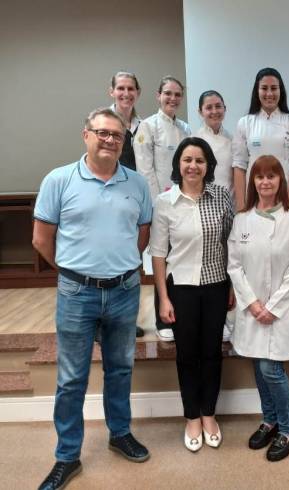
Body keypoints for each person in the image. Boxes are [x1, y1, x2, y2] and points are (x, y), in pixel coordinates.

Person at [33, 108, 152, 490]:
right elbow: (41, 239)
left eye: (117, 135)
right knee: (71, 379)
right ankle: (67, 456)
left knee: (121, 369)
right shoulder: (59, 180)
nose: (110, 140)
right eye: (102, 132)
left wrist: (117, 265)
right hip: (76, 294)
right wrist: (76, 270)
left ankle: (120, 434)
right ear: (86, 135)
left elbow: (142, 234)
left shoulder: (137, 183)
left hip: (124, 291)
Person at [149, 137, 234, 453]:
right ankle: (192, 417)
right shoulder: (165, 202)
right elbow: (158, 253)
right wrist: (163, 298)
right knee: (186, 355)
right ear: (178, 164)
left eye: (200, 160)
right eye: (187, 160)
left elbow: (231, 244)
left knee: (212, 353)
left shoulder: (221, 196)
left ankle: (209, 414)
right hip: (180, 288)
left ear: (208, 165)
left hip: (216, 285)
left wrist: (232, 286)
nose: (193, 166)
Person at [228, 155, 289, 462]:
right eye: (259, 176)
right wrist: (252, 303)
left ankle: (288, 430)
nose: (265, 182)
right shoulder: (242, 220)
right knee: (259, 368)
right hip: (252, 309)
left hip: (280, 311)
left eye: (271, 176)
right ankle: (270, 420)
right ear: (253, 182)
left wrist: (272, 307)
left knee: (271, 369)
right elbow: (234, 266)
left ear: (280, 181)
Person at [134, 75, 191, 342]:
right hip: (161, 206)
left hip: (185, 204)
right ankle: (162, 319)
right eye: (168, 93)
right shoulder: (147, 127)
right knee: (162, 261)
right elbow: (145, 170)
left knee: (182, 260)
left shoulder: (185, 128)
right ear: (158, 95)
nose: (173, 98)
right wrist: (160, 205)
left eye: (177, 94)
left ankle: (183, 314)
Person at [232, 67, 289, 210]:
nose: (269, 93)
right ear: (257, 91)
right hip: (253, 199)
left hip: (286, 198)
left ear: (281, 91)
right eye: (264, 88)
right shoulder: (245, 123)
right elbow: (239, 165)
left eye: (274, 88)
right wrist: (241, 206)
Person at [195, 90, 236, 342]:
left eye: (218, 106)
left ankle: (226, 318)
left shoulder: (233, 139)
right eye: (208, 107)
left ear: (225, 108)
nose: (214, 111)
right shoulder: (195, 140)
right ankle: (204, 317)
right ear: (200, 111)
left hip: (229, 207)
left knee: (229, 262)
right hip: (203, 208)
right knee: (208, 265)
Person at [108, 71, 145, 338]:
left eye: (131, 89)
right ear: (112, 91)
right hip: (110, 199)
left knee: (133, 260)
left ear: (138, 93)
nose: (126, 93)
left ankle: (128, 321)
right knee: (111, 260)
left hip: (135, 199)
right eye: (121, 88)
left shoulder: (144, 125)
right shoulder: (103, 121)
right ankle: (106, 322)